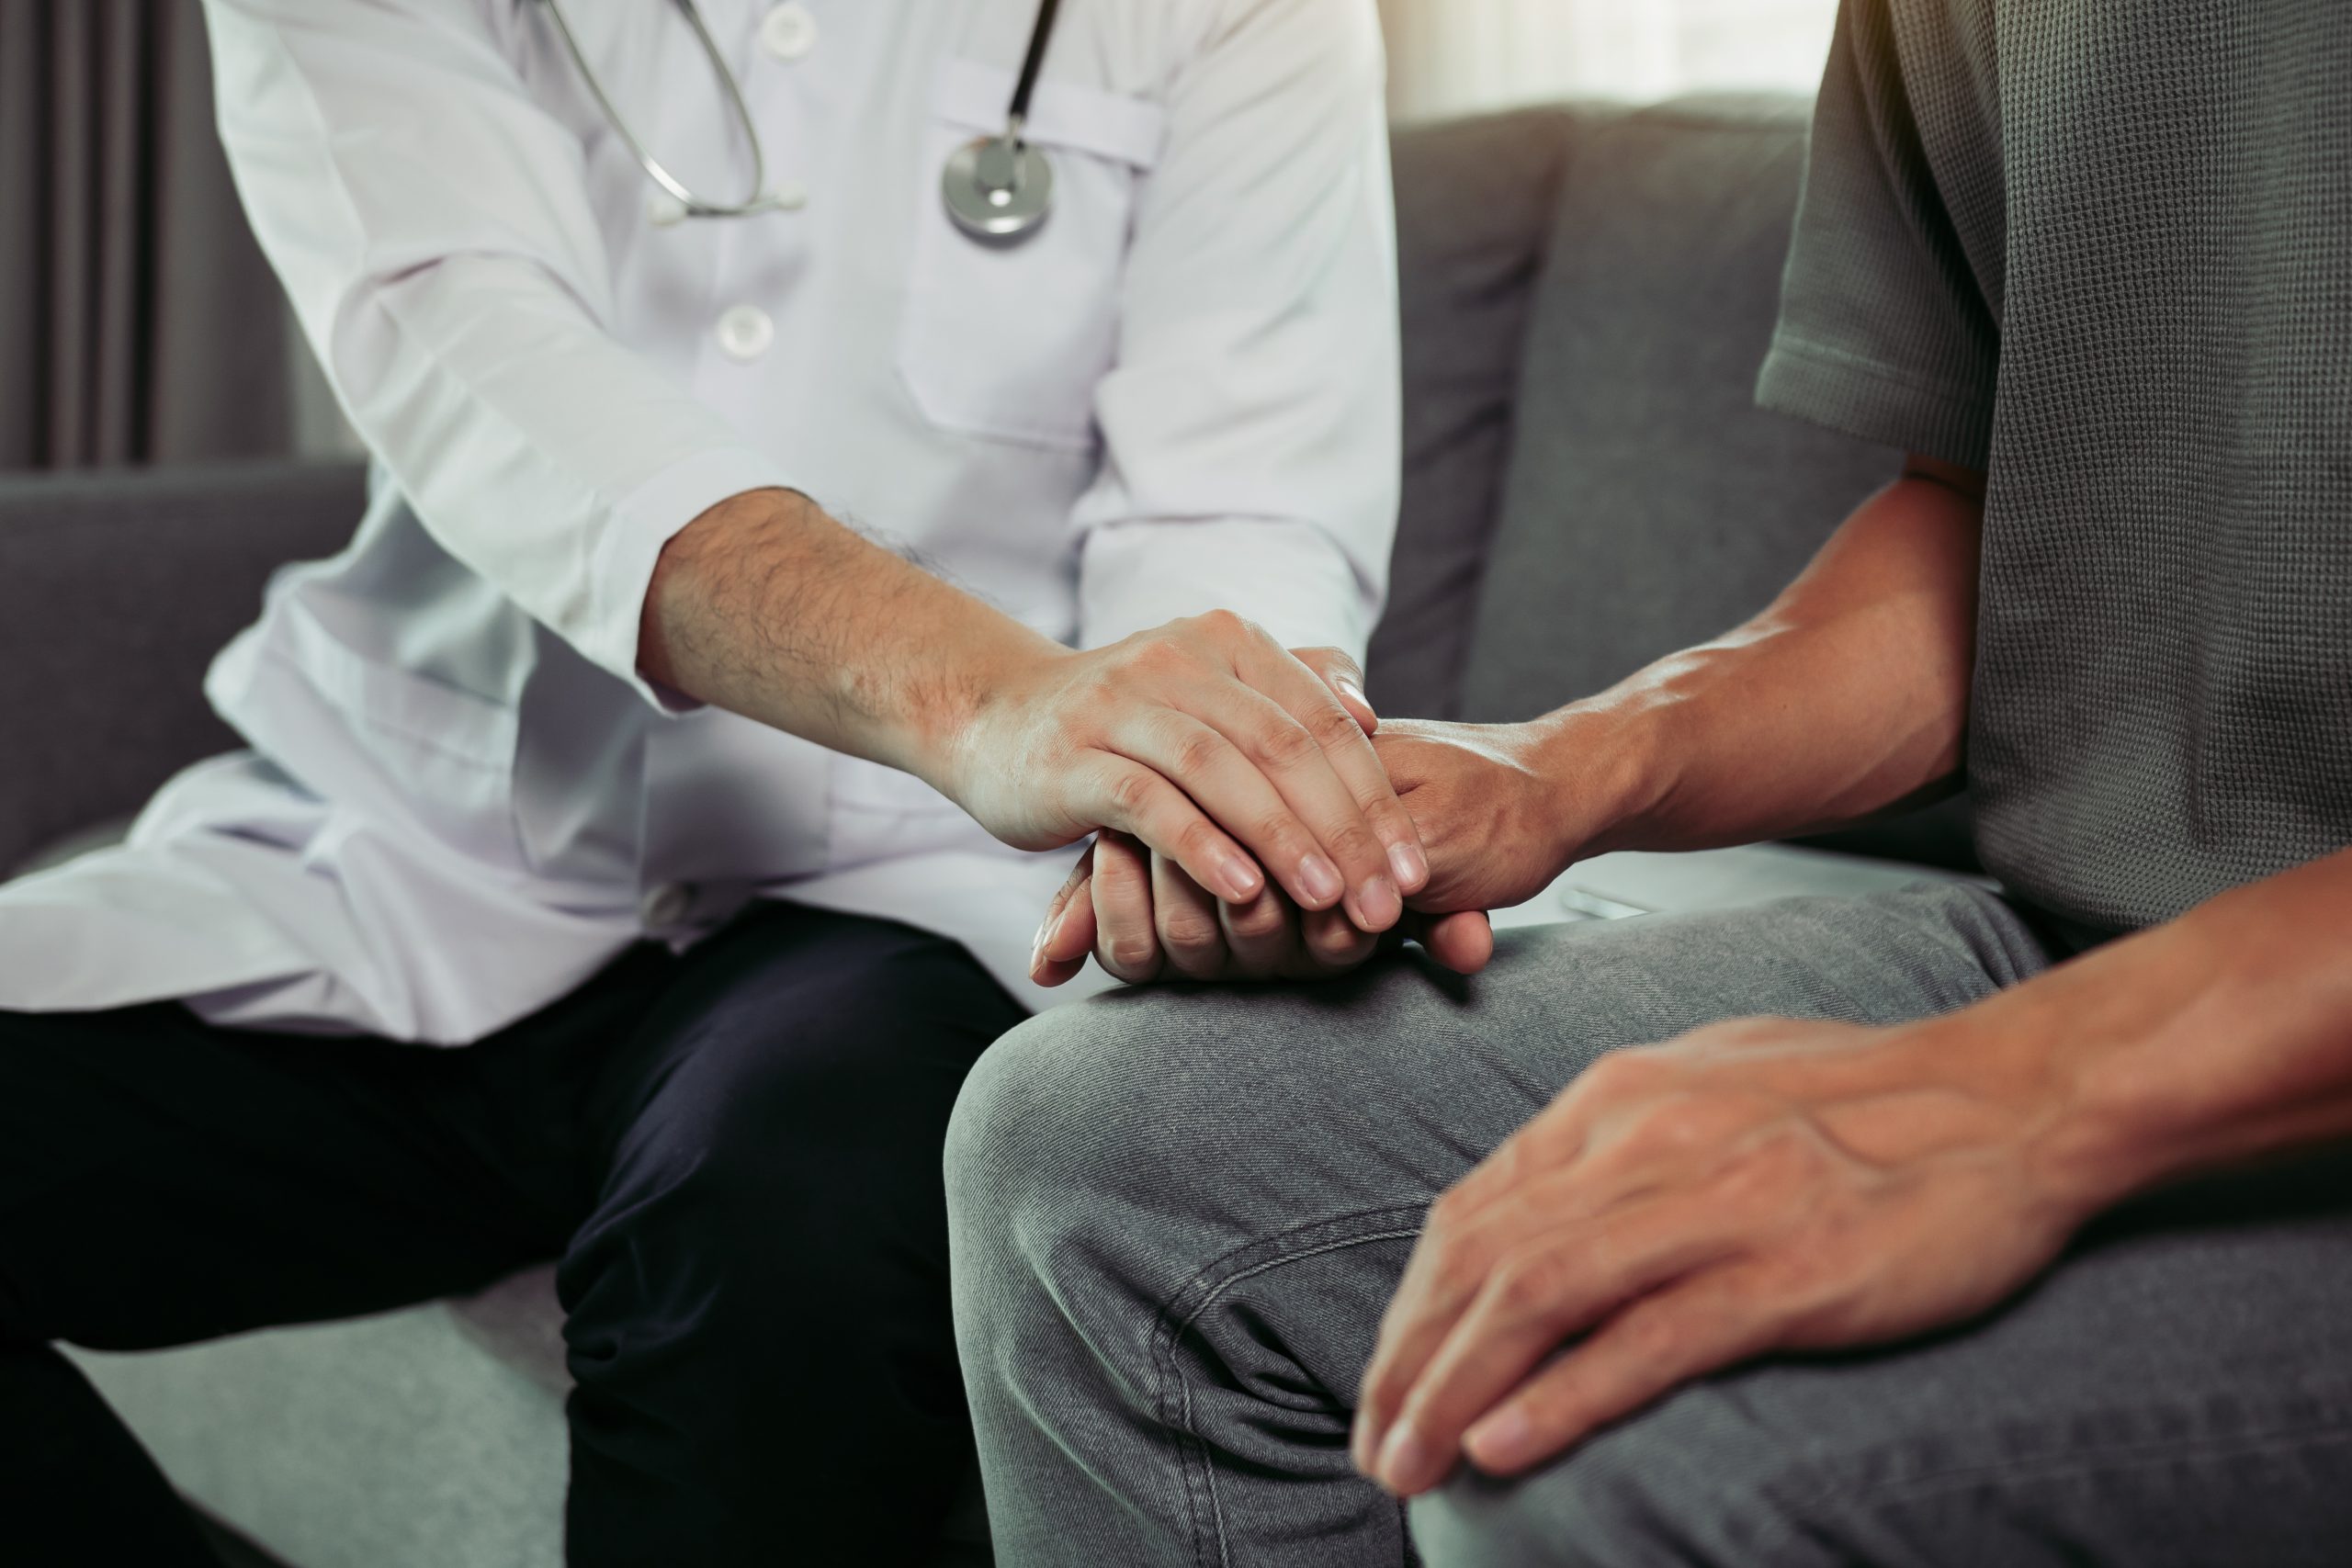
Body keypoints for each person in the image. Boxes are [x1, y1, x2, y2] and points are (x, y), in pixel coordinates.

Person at [0, 1, 1427, 1563]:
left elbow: (1240, 508)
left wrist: (1243, 811)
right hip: (426, 852)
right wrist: (994, 697)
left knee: (785, 1231)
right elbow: (477, 348)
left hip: (909, 899)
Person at [947, 0, 2352, 1562]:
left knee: (1596, 1425)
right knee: (1097, 1152)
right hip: (2102, 936)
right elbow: (1995, 539)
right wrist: (1560, 772)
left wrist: (2018, 1097)